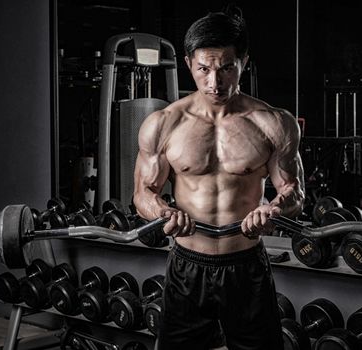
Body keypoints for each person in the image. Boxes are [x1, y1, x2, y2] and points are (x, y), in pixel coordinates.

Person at [133, 7, 305, 350]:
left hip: (246, 265)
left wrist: (272, 209)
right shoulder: (164, 124)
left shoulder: (272, 123)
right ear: (188, 64)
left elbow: (295, 193)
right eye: (204, 70)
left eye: (227, 68)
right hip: (187, 266)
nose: (215, 82)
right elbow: (142, 193)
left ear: (244, 61)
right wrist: (163, 212)